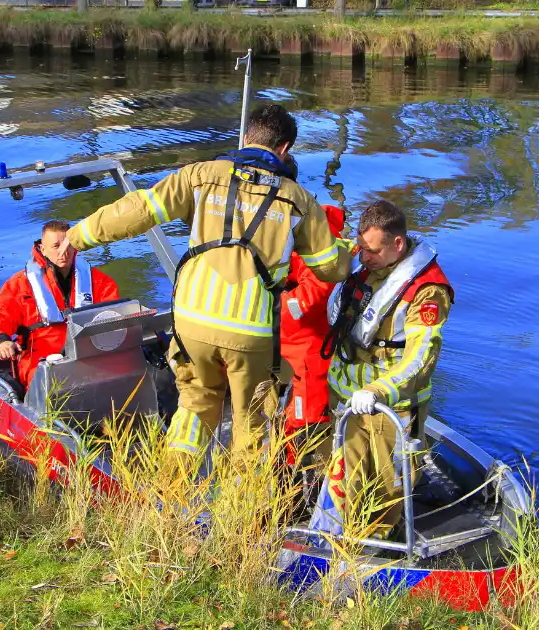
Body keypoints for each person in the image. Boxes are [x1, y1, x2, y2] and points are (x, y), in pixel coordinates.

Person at [65, 103, 352, 459]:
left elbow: (138, 210)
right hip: (250, 332)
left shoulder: (200, 175)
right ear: (285, 149)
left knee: (194, 405)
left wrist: (78, 235)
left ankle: (172, 492)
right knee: (252, 422)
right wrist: (348, 249)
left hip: (192, 322)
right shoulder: (298, 201)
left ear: (246, 137)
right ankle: (242, 510)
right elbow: (331, 268)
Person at [319, 199, 453, 537]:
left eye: (373, 252)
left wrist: (377, 391)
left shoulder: (427, 292)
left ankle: (375, 547)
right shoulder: (362, 264)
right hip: (345, 400)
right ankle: (333, 540)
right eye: (362, 249)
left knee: (386, 487)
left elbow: (421, 359)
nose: (364, 258)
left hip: (391, 406)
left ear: (397, 244)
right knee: (341, 476)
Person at [0, 219, 121, 388]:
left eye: (68, 245)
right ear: (43, 249)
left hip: (89, 354)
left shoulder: (98, 282)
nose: (63, 252)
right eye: (56, 246)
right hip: (40, 361)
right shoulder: (20, 284)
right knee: (54, 385)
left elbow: (116, 316)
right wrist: (2, 341)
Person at [278, 204, 347, 465]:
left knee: (307, 420)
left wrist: (268, 307)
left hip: (309, 355)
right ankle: (290, 469)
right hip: (290, 352)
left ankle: (308, 481)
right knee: (289, 416)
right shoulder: (297, 238)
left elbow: (309, 300)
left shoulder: (324, 246)